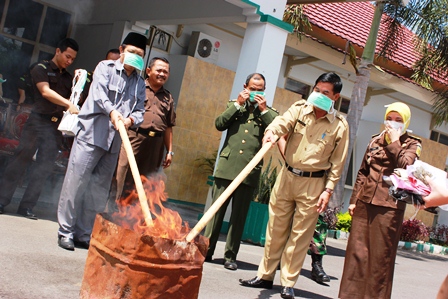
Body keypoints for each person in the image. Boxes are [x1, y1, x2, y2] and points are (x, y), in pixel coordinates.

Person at [240, 72, 349, 299]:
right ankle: (265, 276)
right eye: (317, 90)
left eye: (325, 93)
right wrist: (271, 132)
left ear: (335, 97)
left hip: (314, 184)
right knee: (275, 230)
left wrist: (328, 190)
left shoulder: (340, 126)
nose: (318, 95)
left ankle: (288, 282)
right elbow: (282, 122)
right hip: (287, 177)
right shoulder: (300, 108)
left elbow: (338, 163)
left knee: (300, 236)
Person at [56, 32, 147, 251]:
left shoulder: (139, 82)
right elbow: (98, 95)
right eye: (132, 52)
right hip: (91, 135)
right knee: (76, 184)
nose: (135, 57)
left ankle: (84, 233)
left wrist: (131, 119)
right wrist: (113, 113)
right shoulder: (104, 68)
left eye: (140, 55)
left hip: (114, 142)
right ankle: (65, 231)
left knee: (98, 189)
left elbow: (140, 110)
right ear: (122, 49)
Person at [338, 102, 422, 299]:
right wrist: (353, 200)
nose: (392, 123)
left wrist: (394, 142)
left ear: (406, 122)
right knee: (356, 256)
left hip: (390, 207)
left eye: (398, 120)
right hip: (365, 203)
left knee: (379, 259)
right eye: (390, 118)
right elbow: (362, 172)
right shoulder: (375, 140)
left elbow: (406, 164)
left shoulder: (412, 144)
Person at [204, 73, 278, 271]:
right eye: (252, 89)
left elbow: (277, 131)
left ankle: (230, 256)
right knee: (215, 213)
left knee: (238, 217)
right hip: (226, 169)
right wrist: (238, 103)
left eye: (259, 89)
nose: (255, 93)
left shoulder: (268, 113)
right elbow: (219, 124)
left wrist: (263, 110)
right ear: (245, 87)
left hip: (249, 171)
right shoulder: (234, 105)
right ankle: (206, 251)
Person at [0, 38, 79, 219]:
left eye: (73, 59)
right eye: (67, 56)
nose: (69, 61)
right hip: (37, 121)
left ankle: (27, 206)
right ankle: (2, 200)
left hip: (55, 126)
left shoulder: (69, 78)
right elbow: (45, 91)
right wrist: (68, 104)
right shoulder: (40, 69)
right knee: (20, 159)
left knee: (44, 167)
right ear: (58, 51)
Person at [113, 57, 176, 202]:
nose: (162, 74)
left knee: (147, 179)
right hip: (134, 137)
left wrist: (170, 151)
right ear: (148, 71)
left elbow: (168, 126)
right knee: (123, 173)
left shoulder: (168, 97)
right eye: (159, 70)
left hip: (156, 144)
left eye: (165, 72)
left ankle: (135, 215)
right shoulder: (137, 88)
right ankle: (113, 208)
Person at [277, 135, 331, 284]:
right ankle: (277, 260)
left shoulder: (333, 124)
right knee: (285, 223)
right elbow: (281, 137)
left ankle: (316, 265)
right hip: (292, 180)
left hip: (318, 182)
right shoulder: (300, 116)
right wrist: (291, 163)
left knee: (319, 224)